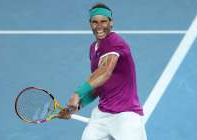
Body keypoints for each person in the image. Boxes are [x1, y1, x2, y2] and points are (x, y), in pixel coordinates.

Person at [58, 3, 147, 140]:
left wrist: (77, 93)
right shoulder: (93, 49)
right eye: (95, 22)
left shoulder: (115, 42)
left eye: (103, 21)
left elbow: (105, 72)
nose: (99, 26)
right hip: (101, 116)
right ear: (90, 24)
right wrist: (76, 106)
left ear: (111, 23)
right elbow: (98, 86)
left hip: (126, 116)